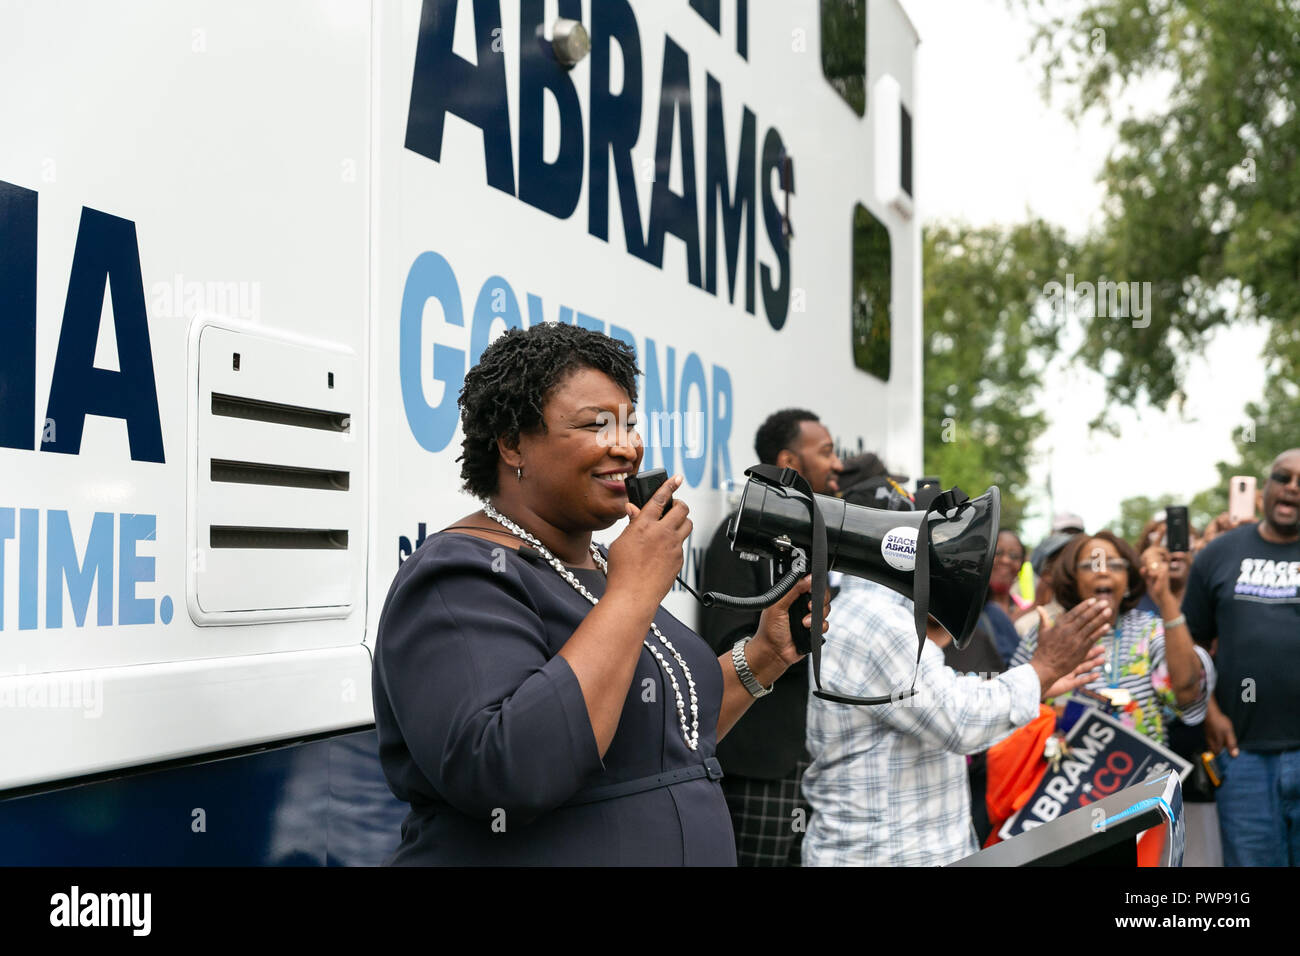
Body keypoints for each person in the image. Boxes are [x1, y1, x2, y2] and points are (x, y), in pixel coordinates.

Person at [370, 324, 820, 865]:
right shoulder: (458, 574)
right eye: (595, 426)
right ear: (512, 442)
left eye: (630, 424)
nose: (627, 447)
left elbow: (669, 733)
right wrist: (631, 594)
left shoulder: (604, 568)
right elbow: (507, 769)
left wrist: (766, 655)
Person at [801, 481, 1112, 866]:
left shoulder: (882, 612)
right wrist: (1041, 669)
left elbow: (939, 695)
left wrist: (1041, 680)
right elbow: (959, 721)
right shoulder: (879, 620)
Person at [698, 409, 842, 866]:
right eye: (826, 452)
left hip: (802, 759)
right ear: (788, 461)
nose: (837, 464)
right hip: (758, 767)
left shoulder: (802, 540)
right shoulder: (740, 536)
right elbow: (731, 642)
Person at [1182, 449, 1300, 866]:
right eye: (1282, 477)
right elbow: (1190, 646)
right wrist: (1209, 711)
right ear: (1265, 488)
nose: (1292, 487)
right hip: (1242, 756)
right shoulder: (1219, 553)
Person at [1009, 531, 1211, 748]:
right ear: (1072, 578)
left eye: (1114, 565)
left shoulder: (1150, 630)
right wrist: (1043, 686)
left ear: (1127, 579)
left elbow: (1188, 690)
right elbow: (1009, 707)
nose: (1103, 571)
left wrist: (1165, 598)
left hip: (1142, 776)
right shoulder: (1047, 632)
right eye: (1090, 565)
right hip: (1064, 774)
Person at [981, 530, 1027, 666]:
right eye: (998, 553)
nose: (1006, 560)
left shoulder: (1031, 609)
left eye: (1014, 556)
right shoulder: (968, 611)